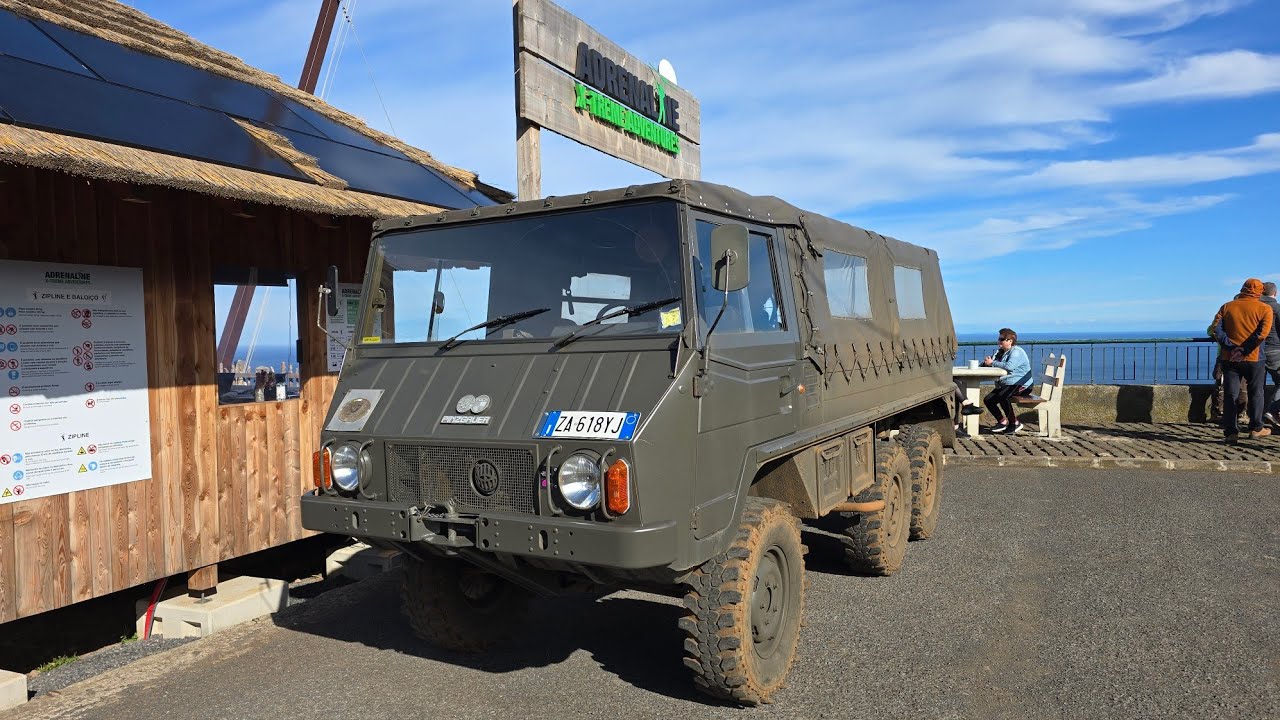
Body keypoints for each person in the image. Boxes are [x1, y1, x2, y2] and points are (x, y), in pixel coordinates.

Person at [1209, 278, 1274, 444]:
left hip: (1229, 357)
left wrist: (1231, 348)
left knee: (1231, 394)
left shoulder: (1227, 306)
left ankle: (1231, 431)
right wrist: (1244, 350)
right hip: (1254, 357)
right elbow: (1262, 334)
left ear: (1243, 289)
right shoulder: (1265, 309)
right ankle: (1256, 428)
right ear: (1260, 292)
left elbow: (1217, 329)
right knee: (1256, 392)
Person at [981, 328, 1033, 434]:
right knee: (988, 399)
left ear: (1010, 341)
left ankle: (1014, 423)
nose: (999, 341)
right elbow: (993, 361)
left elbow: (1010, 366)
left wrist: (992, 363)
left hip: (1021, 383)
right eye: (999, 339)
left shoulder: (1017, 351)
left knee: (1003, 397)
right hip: (1009, 384)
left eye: (1002, 339)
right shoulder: (1001, 352)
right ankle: (1002, 421)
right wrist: (984, 364)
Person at [1261, 281, 1280, 429]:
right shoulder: (1277, 308)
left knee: (1256, 387)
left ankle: (1256, 421)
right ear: (1275, 293)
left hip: (1255, 351)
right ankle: (1272, 411)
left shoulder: (1255, 307)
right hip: (1275, 350)